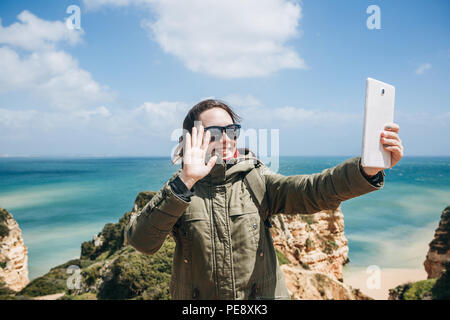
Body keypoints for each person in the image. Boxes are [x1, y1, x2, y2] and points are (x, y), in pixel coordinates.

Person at [124, 99, 404, 300]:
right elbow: (142, 242)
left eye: (231, 130)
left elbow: (315, 190)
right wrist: (186, 180)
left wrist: (367, 168)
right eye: (213, 133)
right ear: (190, 140)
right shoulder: (178, 191)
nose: (225, 139)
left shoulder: (257, 179)